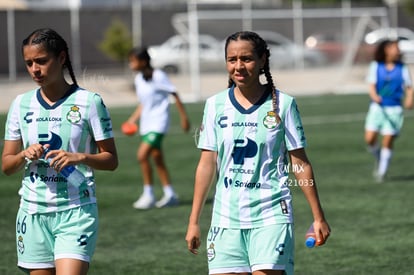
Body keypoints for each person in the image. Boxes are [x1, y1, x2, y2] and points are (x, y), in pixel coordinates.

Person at [185, 31, 330, 275]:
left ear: (263, 60)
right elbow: (206, 164)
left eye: (247, 59)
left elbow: (299, 163)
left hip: (271, 215)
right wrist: (193, 221)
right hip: (225, 219)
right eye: (232, 60)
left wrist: (318, 216)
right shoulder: (214, 105)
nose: (238, 66)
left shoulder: (283, 104)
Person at [1, 28, 118, 274]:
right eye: (29, 63)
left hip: (76, 210)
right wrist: (24, 154)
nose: (35, 69)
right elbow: (7, 166)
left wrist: (80, 157)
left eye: (42, 61)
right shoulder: (20, 105)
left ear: (61, 58)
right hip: (33, 213)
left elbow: (111, 160)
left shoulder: (90, 102)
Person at [125, 47, 190, 209]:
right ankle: (170, 194)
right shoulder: (139, 79)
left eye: (133, 61)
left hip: (159, 123)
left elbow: (174, 94)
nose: (131, 64)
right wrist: (132, 119)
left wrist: (184, 118)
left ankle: (149, 195)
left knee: (142, 155)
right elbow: (143, 103)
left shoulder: (159, 76)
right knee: (157, 159)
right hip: (146, 124)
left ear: (143, 61)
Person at [365, 39, 413, 182]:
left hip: (394, 109)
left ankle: (382, 172)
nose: (398, 50)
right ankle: (379, 158)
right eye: (395, 48)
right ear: (386, 49)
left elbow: (409, 87)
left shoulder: (402, 68)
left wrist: (410, 99)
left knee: (388, 139)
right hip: (377, 108)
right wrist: (375, 96)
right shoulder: (376, 66)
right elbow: (371, 85)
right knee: (370, 139)